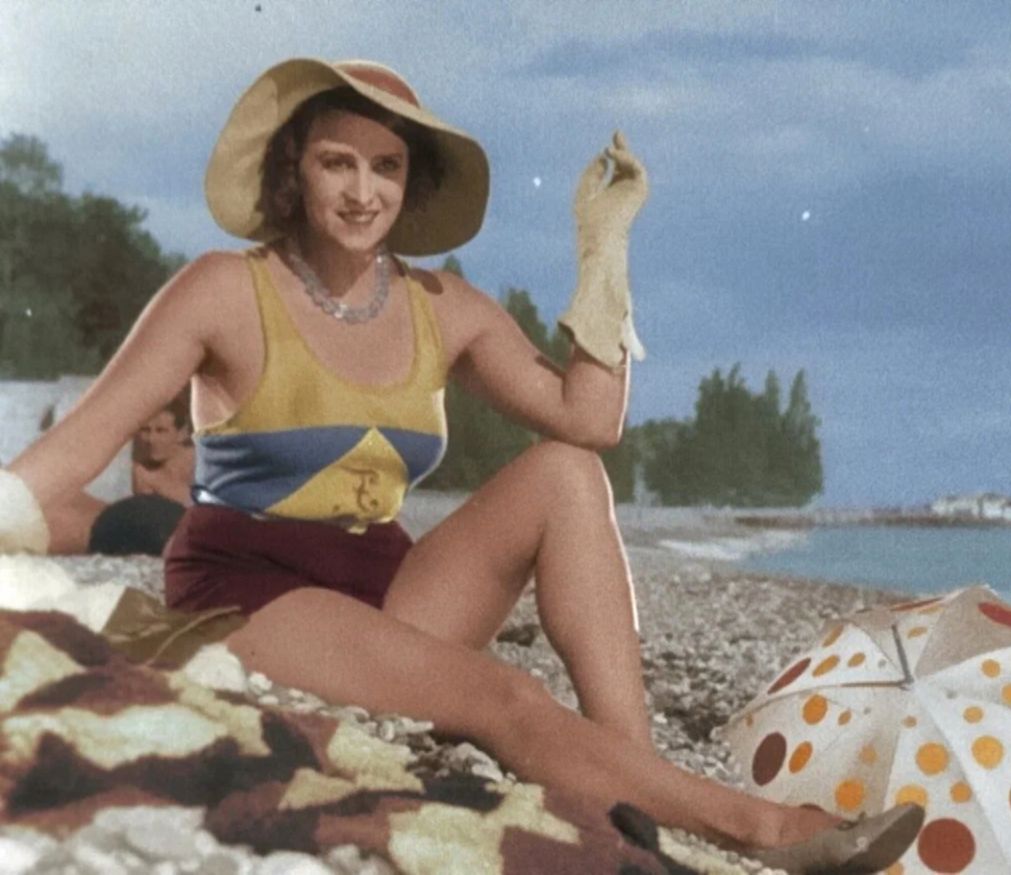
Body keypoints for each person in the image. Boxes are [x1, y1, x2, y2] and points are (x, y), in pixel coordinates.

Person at [0, 59, 923, 873]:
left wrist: (602, 249)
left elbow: (589, 419)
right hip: (252, 591)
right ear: (292, 171)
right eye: (337, 162)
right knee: (503, 694)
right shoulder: (223, 288)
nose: (363, 192)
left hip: (389, 586)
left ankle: (638, 777)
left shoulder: (443, 305)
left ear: (411, 182)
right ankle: (763, 827)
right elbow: (73, 449)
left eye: (386, 166)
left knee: (565, 471)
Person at [41, 397, 194, 556]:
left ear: (182, 433)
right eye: (145, 430)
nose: (151, 439)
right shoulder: (141, 472)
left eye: (161, 431)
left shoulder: (199, 461)